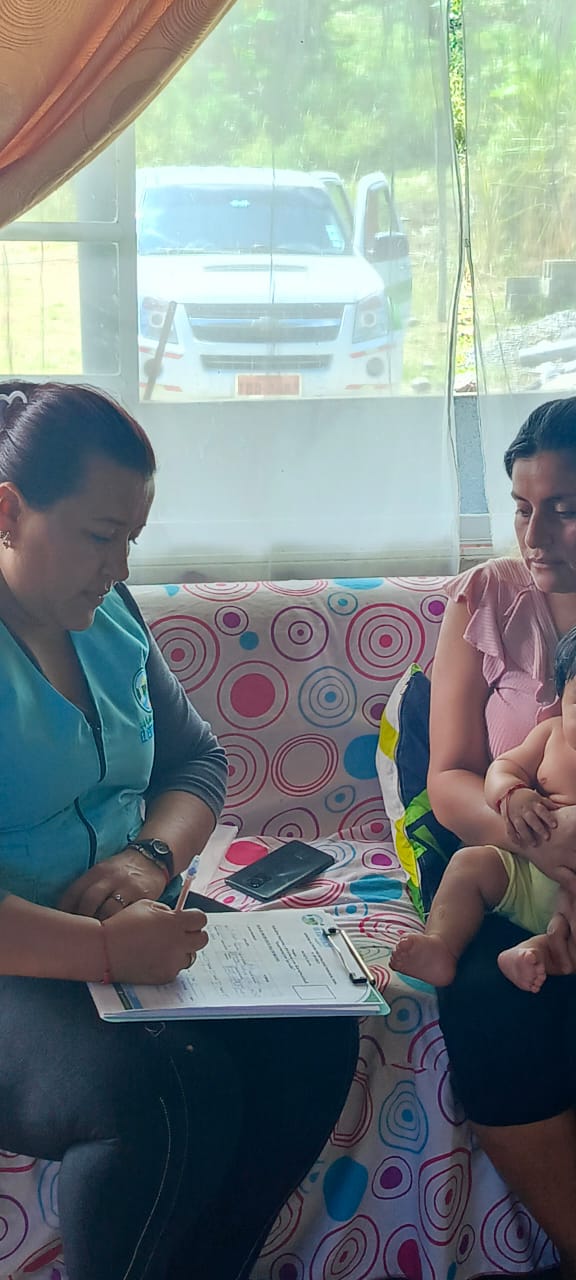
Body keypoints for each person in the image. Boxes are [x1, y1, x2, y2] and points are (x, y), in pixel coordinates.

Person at [0, 381, 358, 1280]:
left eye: (132, 538)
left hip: (131, 927)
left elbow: (196, 763)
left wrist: (148, 856)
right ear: (7, 512)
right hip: (17, 964)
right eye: (99, 536)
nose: (118, 566)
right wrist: (103, 952)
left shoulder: (108, 615)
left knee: (313, 1035)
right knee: (164, 1094)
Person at [423, 396, 576, 1280]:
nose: (536, 534)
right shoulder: (486, 597)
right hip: (496, 863)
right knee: (491, 995)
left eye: (564, 509)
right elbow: (448, 775)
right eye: (522, 508)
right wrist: (531, 846)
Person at [391, 625, 576, 993]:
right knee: (469, 864)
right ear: (561, 698)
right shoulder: (550, 734)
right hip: (526, 870)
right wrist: (512, 794)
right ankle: (441, 944)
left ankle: (546, 951)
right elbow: (504, 767)